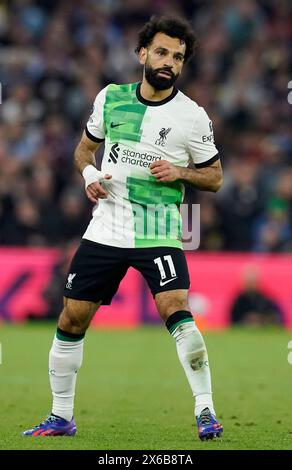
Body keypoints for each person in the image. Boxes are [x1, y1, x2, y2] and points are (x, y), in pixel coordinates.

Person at [23, 16, 223, 441]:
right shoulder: (111, 98)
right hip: (107, 227)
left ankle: (206, 411)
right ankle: (61, 417)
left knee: (177, 311)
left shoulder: (191, 116)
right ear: (143, 54)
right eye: (163, 52)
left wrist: (181, 171)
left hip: (158, 229)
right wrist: (88, 177)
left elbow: (216, 177)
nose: (169, 62)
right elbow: (83, 150)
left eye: (178, 57)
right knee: (72, 317)